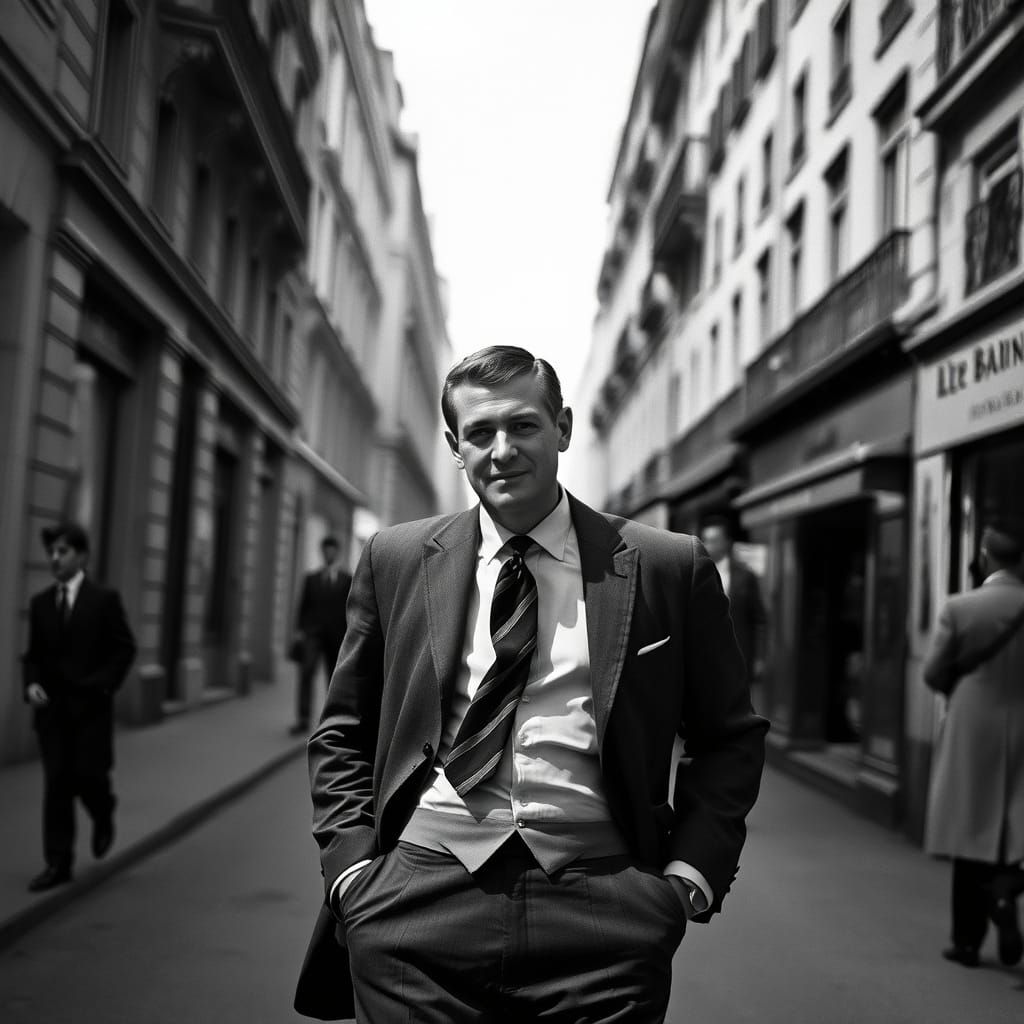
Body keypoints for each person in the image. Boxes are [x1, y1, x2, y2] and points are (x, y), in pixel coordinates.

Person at [295, 346, 768, 1022]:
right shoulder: (395, 559)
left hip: (603, 911)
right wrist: (351, 872)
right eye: (480, 433)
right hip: (416, 899)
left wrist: (687, 877)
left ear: (564, 429)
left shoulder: (667, 566)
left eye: (523, 426)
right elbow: (344, 728)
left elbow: (729, 736)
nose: (502, 449)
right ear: (457, 448)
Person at [924, 522, 1024, 969]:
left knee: (969, 826)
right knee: (1014, 824)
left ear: (984, 556)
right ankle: (1005, 893)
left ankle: (967, 942)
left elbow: (932, 672)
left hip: (971, 722)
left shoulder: (961, 607)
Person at [21, 522, 137, 892]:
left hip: (90, 712)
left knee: (88, 779)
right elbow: (33, 656)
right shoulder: (40, 604)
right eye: (51, 552)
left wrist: (102, 685)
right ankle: (58, 862)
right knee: (56, 785)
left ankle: (103, 812)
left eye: (63, 552)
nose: (55, 559)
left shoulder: (103, 601)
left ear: (82, 556)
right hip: (52, 714)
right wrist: (32, 684)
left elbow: (124, 649)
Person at [290, 535, 352, 735]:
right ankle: (302, 719)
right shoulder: (311, 579)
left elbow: (351, 610)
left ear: (337, 552)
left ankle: (330, 723)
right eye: (325, 549)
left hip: (337, 637)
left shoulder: (347, 580)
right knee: (306, 673)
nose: (328, 553)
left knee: (334, 682)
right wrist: (300, 631)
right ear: (322, 552)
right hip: (313, 635)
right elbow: (303, 607)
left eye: (332, 549)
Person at [699, 515, 767, 683]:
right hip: (703, 658)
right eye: (705, 540)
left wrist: (759, 658)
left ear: (726, 542)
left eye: (714, 540)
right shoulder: (696, 574)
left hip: (737, 659)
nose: (708, 546)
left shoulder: (745, 576)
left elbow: (759, 620)